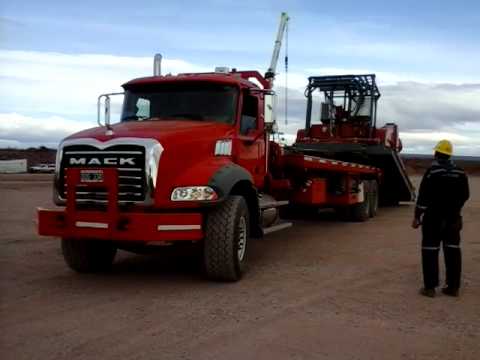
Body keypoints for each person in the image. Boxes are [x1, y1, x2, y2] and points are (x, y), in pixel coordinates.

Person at [412, 140, 469, 298]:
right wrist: (456, 210)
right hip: (453, 219)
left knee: (430, 250)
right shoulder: (460, 172)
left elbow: (423, 197)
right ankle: (453, 288)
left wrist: (417, 216)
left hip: (433, 218)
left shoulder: (432, 171)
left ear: (436, 154)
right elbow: (465, 195)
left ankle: (430, 288)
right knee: (453, 251)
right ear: (450, 154)